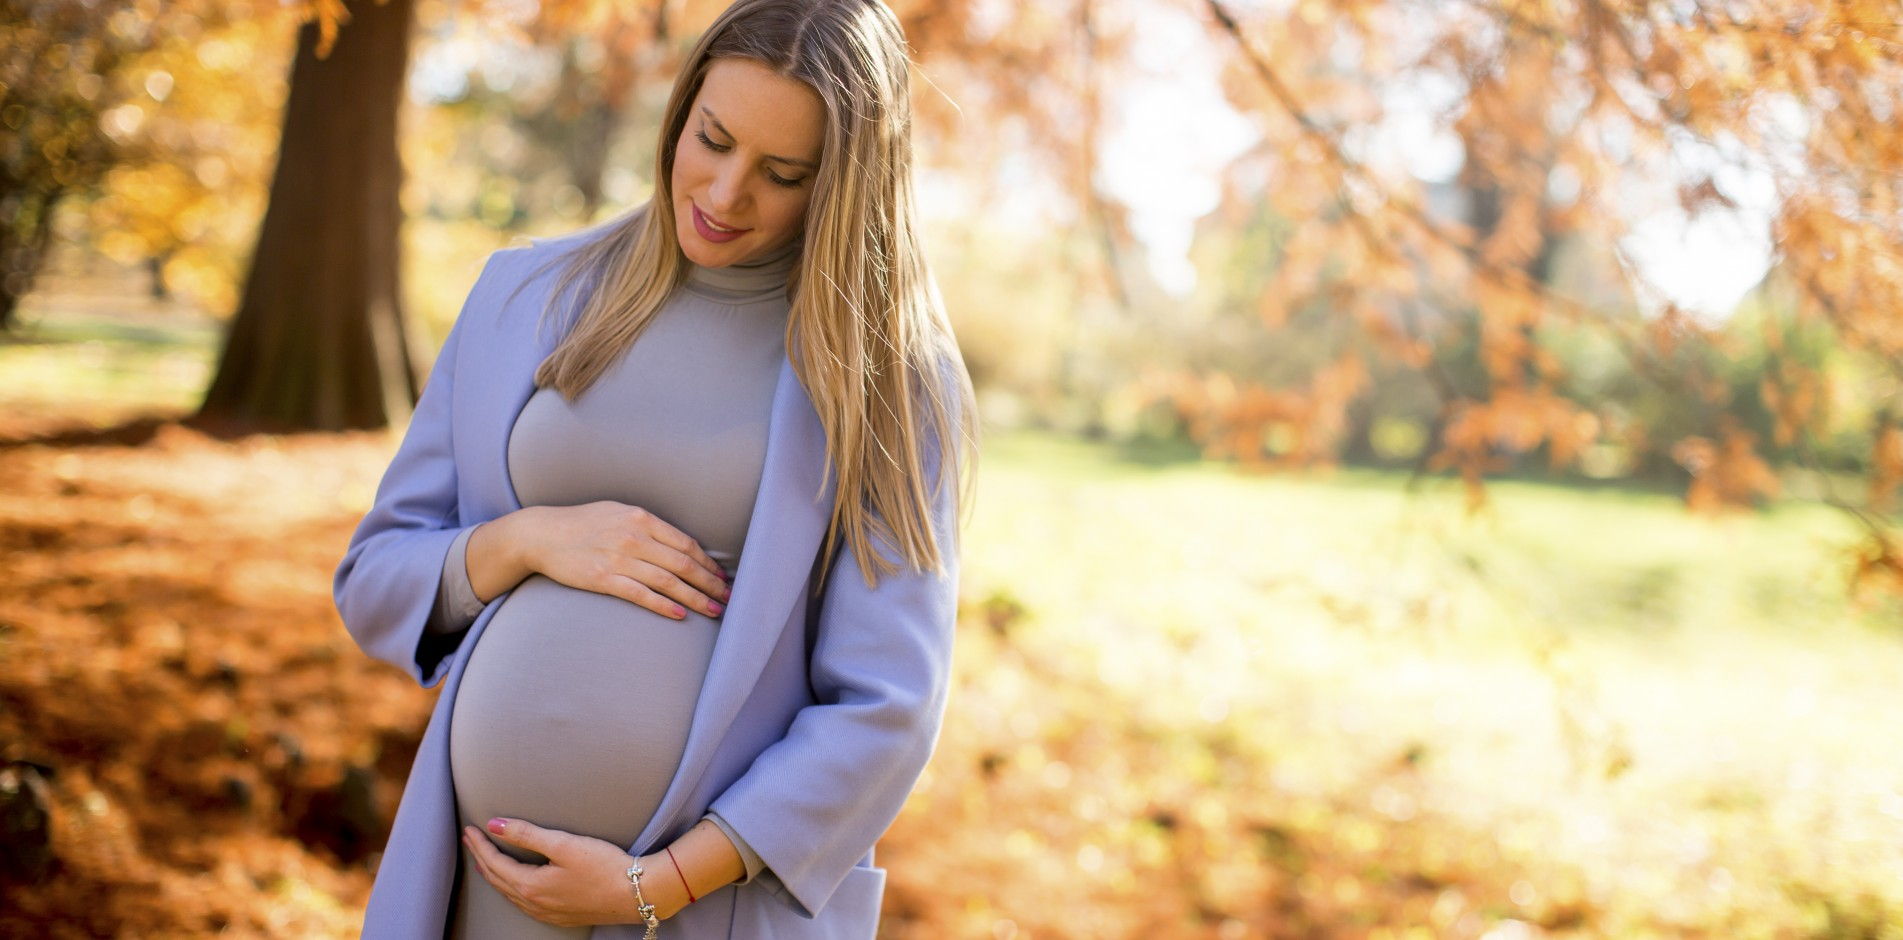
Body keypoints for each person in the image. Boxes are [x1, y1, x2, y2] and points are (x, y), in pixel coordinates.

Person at [331, 1, 979, 936]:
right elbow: (375, 576)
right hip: (479, 892)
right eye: (710, 140)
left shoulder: (889, 380)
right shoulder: (520, 296)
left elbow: (887, 711)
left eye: (782, 174)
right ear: (678, 114)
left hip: (708, 910)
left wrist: (655, 884)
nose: (723, 195)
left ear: (844, 185)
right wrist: (525, 542)